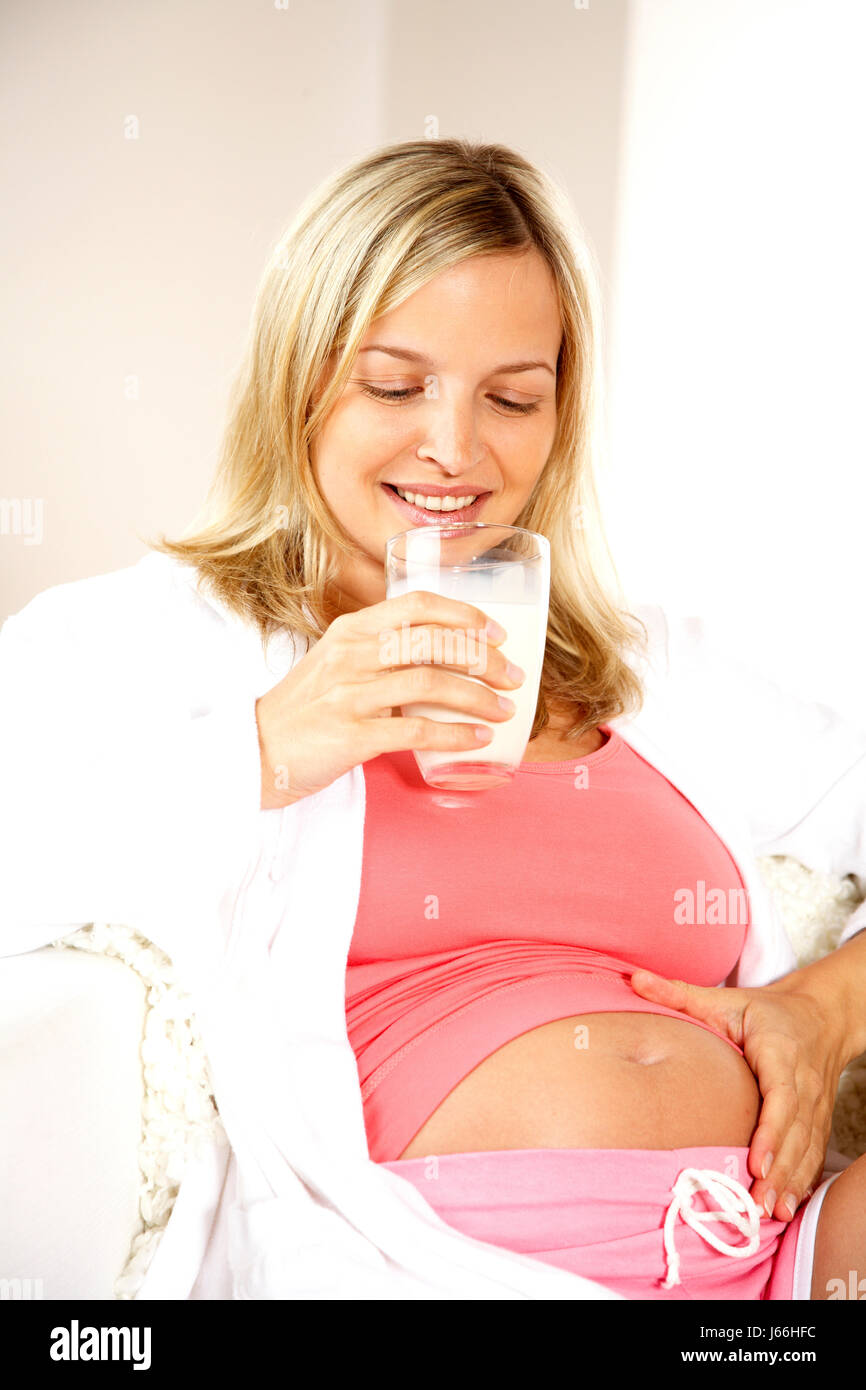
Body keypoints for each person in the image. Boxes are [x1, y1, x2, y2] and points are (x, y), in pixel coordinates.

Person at [2, 138, 866, 1300]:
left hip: (774, 1251)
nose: (455, 449)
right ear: (296, 376)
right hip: (431, 1263)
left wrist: (825, 1006)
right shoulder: (153, 639)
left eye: (511, 396)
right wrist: (268, 744)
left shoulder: (647, 664)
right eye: (395, 384)